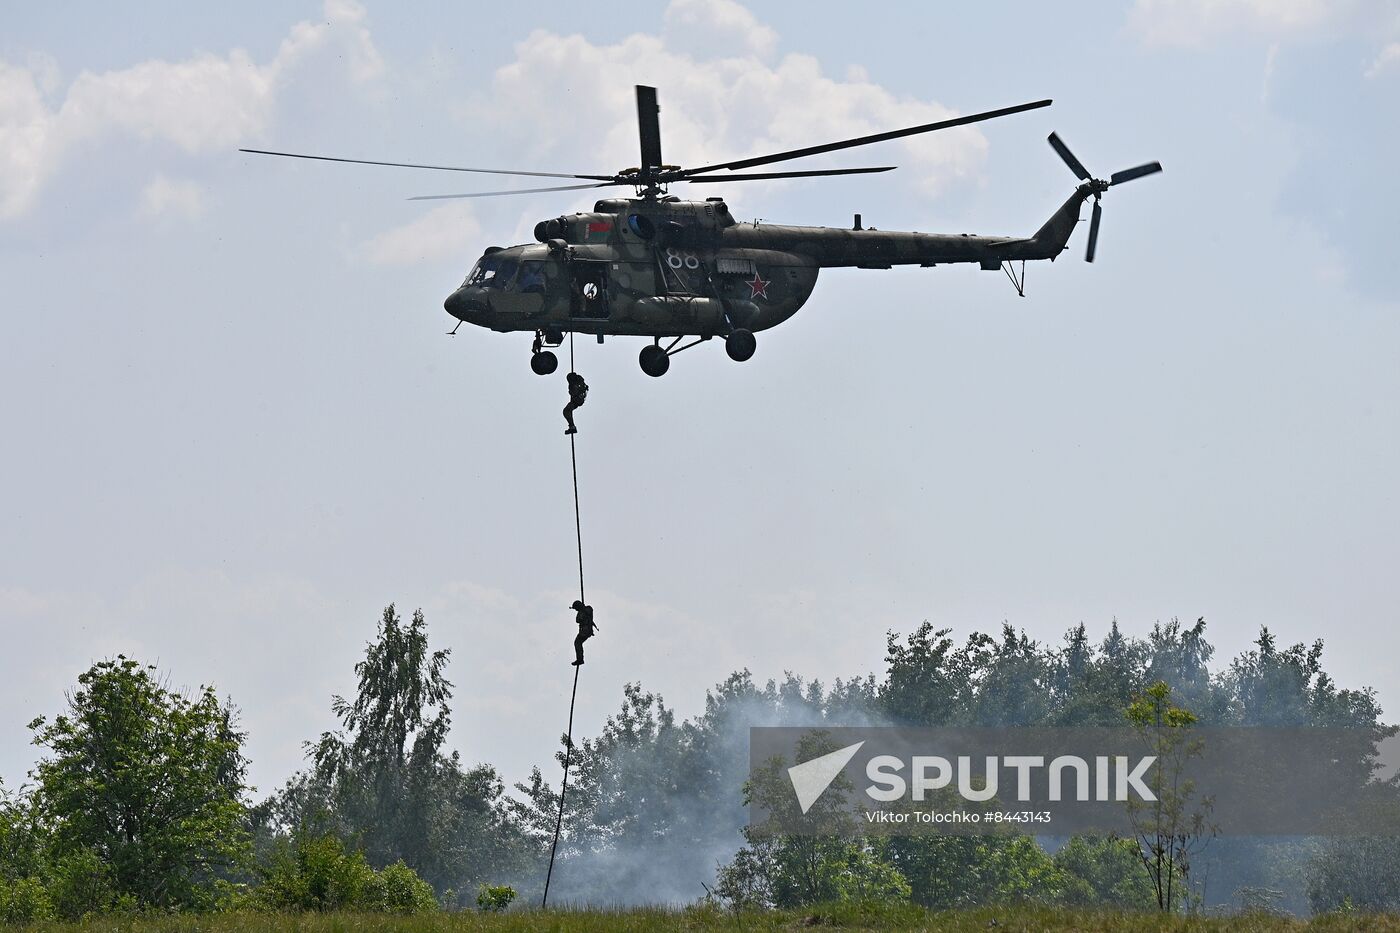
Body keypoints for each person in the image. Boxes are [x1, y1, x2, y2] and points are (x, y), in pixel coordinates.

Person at [571, 599, 596, 665]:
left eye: (576, 608)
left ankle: (580, 659)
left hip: (585, 631)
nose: (576, 610)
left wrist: (582, 611)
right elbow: (577, 620)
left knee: (577, 642)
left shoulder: (587, 609)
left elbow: (588, 612)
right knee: (578, 643)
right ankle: (580, 659)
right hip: (586, 631)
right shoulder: (582, 611)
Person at [563, 371, 589, 435]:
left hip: (577, 400)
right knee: (567, 411)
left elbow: (574, 392)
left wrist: (573, 392)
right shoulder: (576, 383)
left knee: (566, 411)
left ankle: (572, 426)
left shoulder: (576, 383)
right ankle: (572, 426)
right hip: (577, 399)